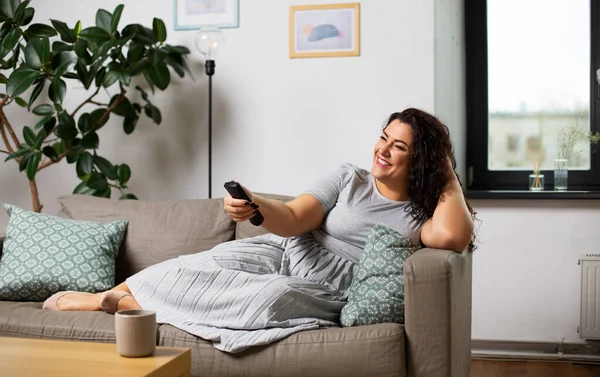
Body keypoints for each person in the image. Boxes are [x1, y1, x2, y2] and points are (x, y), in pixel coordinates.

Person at [42, 108, 477, 352]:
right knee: (195, 265)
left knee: (269, 298)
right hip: (287, 249)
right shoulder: (350, 177)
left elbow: (455, 237)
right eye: (383, 137)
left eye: (398, 146)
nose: (382, 150)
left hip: (332, 285)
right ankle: (111, 298)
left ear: (419, 160)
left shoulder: (424, 213)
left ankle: (129, 303)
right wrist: (254, 205)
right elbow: (292, 217)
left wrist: (446, 173)